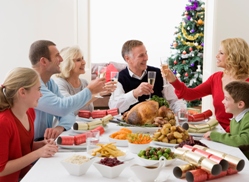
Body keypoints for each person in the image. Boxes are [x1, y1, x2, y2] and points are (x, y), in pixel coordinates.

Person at [163, 38, 249, 132]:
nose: (217, 56)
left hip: (239, 136)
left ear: (233, 56)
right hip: (218, 131)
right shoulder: (215, 78)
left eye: (221, 53)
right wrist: (173, 80)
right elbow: (190, 95)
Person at [29, 40, 106, 141]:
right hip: (30, 146)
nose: (61, 59)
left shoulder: (50, 83)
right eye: (57, 56)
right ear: (44, 61)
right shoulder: (32, 83)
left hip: (42, 142)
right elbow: (62, 107)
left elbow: (68, 112)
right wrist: (90, 90)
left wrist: (60, 127)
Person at [0, 67, 58, 182]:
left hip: (26, 175)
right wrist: (38, 153)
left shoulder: (30, 112)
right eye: (38, 89)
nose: (41, 95)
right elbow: (2, 169)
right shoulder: (3, 123)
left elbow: (21, 148)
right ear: (22, 92)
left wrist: (40, 145)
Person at [108, 39, 186, 114]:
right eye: (141, 55)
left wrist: (181, 113)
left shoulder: (159, 73)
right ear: (128, 59)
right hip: (131, 126)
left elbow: (175, 100)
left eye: (146, 53)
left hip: (158, 124)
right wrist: (134, 93)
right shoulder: (118, 79)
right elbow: (114, 108)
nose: (146, 58)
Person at [53, 46, 116, 115]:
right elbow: (69, 107)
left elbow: (88, 111)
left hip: (87, 124)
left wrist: (101, 92)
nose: (84, 62)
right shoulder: (59, 83)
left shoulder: (84, 82)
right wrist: (97, 93)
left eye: (82, 58)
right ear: (67, 63)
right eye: (78, 60)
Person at [203, 81, 249, 159]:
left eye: (226, 99)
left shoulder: (247, 118)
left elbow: (242, 140)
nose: (222, 101)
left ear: (240, 104)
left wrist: (216, 136)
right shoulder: (235, 119)